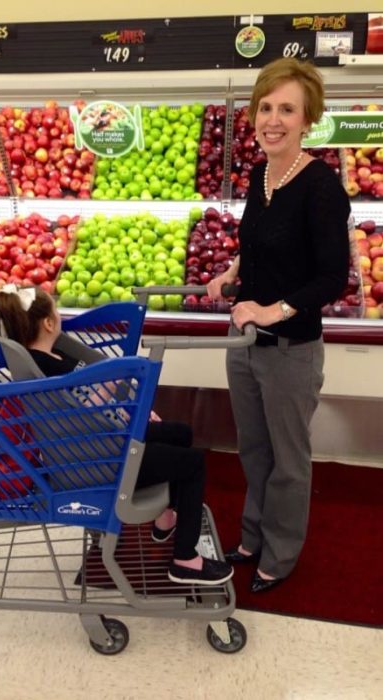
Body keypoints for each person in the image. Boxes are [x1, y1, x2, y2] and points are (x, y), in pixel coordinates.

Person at [207, 57, 351, 593]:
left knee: (288, 460)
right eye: (266, 107)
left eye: (286, 109)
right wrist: (233, 270)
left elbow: (332, 277)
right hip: (244, 341)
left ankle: (281, 553)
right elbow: (257, 240)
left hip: (289, 346)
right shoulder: (261, 173)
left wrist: (272, 310)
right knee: (253, 449)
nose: (273, 118)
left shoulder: (321, 187)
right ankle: (252, 537)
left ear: (307, 116)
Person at [0, 284, 234, 587]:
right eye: (56, 311)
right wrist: (115, 382)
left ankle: (165, 517)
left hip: (104, 438)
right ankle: (185, 559)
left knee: (180, 434)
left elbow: (82, 405)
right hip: (103, 459)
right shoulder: (42, 365)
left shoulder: (47, 355)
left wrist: (130, 410)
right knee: (192, 463)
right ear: (48, 323)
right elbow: (76, 413)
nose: (60, 315)